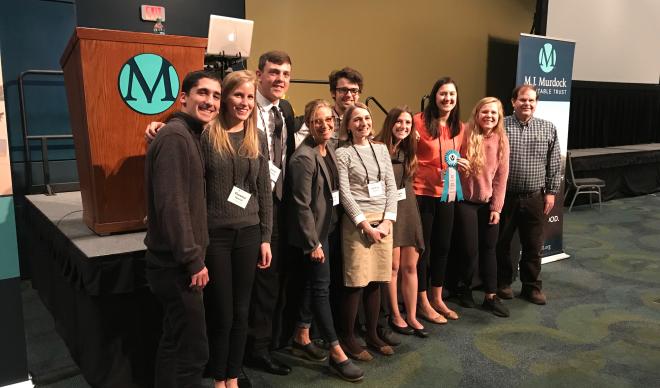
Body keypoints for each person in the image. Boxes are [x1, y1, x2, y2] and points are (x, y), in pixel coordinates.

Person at [144, 70, 220, 388]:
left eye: (216, 96)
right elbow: (172, 206)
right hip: (176, 266)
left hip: (173, 263)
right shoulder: (176, 137)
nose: (210, 101)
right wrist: (192, 259)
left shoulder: (188, 134)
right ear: (184, 98)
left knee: (174, 344)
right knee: (193, 353)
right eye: (203, 93)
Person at [201, 70, 272, 388]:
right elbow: (197, 190)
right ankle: (219, 378)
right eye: (237, 95)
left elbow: (263, 191)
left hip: (249, 233)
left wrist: (266, 237)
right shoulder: (207, 134)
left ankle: (232, 376)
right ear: (226, 98)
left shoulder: (256, 136)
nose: (244, 102)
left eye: (248, 96)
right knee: (223, 313)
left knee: (242, 312)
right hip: (215, 236)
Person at [287, 99, 364, 382]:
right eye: (318, 121)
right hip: (313, 236)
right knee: (321, 289)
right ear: (308, 123)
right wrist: (313, 244)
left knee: (313, 284)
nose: (325, 125)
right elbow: (300, 205)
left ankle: (302, 333)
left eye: (329, 119)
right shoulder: (303, 158)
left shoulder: (330, 147)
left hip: (329, 227)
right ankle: (336, 352)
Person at [245, 50, 296, 376]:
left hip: (278, 208)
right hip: (246, 208)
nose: (279, 79)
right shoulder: (246, 107)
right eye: (274, 72)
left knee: (269, 280)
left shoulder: (286, 110)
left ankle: (261, 347)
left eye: (286, 74)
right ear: (259, 74)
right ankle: (243, 352)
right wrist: (160, 126)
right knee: (246, 284)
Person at [336, 102, 398, 360]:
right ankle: (349, 338)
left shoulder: (382, 150)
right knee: (357, 282)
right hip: (357, 225)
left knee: (377, 281)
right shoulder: (343, 153)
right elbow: (345, 193)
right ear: (348, 125)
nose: (363, 123)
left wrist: (387, 222)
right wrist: (365, 225)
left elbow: (391, 187)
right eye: (357, 119)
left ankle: (372, 334)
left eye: (367, 118)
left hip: (383, 223)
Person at [496, 84, 561, 305]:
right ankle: (503, 283)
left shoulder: (548, 128)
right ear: (513, 101)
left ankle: (531, 287)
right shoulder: (500, 126)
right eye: (523, 99)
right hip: (506, 196)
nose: (527, 104)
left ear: (536, 103)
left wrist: (551, 192)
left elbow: (554, 164)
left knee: (533, 244)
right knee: (502, 243)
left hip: (535, 196)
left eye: (531, 100)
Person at [413, 77, 466, 324]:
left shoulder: (460, 128)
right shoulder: (419, 122)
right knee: (424, 250)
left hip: (447, 194)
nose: (448, 99)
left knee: (443, 246)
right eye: (443, 94)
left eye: (452, 95)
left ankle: (437, 297)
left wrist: (463, 166)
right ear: (435, 96)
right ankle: (422, 301)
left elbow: (458, 158)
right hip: (422, 193)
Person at [374, 106, 428, 338]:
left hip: (408, 211)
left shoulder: (410, 149)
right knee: (393, 267)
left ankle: (412, 315)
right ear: (390, 123)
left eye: (408, 123)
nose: (403, 127)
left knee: (410, 267)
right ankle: (395, 314)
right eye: (399, 122)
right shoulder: (377, 148)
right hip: (388, 213)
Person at [456, 97, 510, 317]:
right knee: (469, 250)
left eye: (493, 113)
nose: (489, 116)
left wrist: (496, 208)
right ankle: (464, 289)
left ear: (499, 118)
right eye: (485, 112)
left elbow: (501, 178)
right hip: (465, 203)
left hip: (488, 204)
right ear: (477, 114)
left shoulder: (502, 141)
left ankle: (490, 295)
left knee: (490, 250)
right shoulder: (463, 134)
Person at [294, 67, 364, 149]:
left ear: (358, 94)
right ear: (333, 93)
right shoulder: (317, 119)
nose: (349, 95)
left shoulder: (363, 121)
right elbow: (297, 148)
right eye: (343, 90)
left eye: (354, 90)